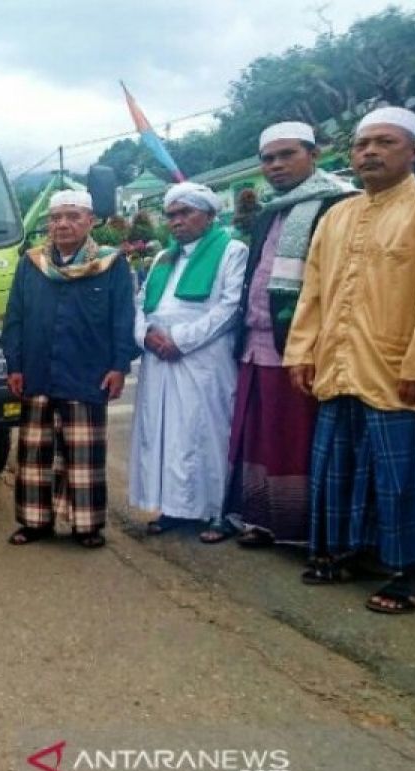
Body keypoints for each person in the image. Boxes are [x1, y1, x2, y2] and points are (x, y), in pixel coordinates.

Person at [283, 106, 415, 614]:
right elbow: (313, 293)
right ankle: (346, 551)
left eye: (384, 142)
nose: (369, 151)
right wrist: (301, 351)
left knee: (403, 475)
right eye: (361, 144)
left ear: (414, 152)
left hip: (398, 367)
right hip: (339, 364)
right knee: (341, 466)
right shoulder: (338, 214)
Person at [206, 122, 355, 547]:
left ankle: (306, 531)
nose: (275, 165)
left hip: (303, 345)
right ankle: (264, 522)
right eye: (268, 158)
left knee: (296, 439)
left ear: (315, 155)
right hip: (256, 344)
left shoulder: (339, 205)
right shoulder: (271, 210)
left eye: (286, 155)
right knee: (259, 438)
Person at [1, 190, 138, 549]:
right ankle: (34, 522)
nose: (62, 224)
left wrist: (119, 365)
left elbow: (124, 318)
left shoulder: (111, 264)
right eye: (56, 217)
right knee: (34, 454)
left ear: (91, 221)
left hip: (87, 371)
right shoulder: (31, 263)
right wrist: (14, 364)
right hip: (37, 372)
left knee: (84, 455)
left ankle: (87, 525)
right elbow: (14, 317)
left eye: (73, 216)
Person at [129, 182, 248, 536]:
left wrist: (179, 340)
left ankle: (218, 512)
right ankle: (173, 508)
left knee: (206, 432)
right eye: (171, 215)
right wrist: (145, 336)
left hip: (203, 359)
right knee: (164, 434)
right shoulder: (162, 258)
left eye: (185, 213)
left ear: (210, 216)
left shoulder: (232, 250)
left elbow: (229, 308)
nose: (177, 221)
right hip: (158, 359)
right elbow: (139, 303)